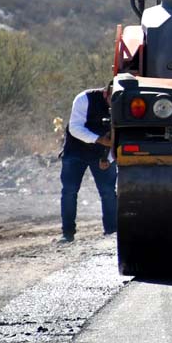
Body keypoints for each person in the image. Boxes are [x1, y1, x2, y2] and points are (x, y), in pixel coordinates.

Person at [59, 84, 116, 242]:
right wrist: (98, 139)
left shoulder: (123, 105)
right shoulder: (84, 98)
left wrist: (109, 159)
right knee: (69, 192)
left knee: (108, 192)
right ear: (106, 93)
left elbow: (119, 137)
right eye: (113, 99)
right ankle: (67, 233)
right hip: (75, 151)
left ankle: (112, 232)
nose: (115, 103)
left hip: (102, 154)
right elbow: (75, 128)